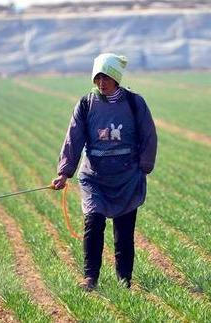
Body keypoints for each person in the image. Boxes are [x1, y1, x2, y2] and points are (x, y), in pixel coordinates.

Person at [52, 53, 157, 291]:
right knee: (93, 223)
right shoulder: (86, 104)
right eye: (98, 77)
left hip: (126, 178)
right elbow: (74, 138)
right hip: (94, 178)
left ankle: (124, 279)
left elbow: (148, 135)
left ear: (116, 77)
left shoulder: (134, 103)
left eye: (106, 77)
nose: (102, 82)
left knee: (124, 231)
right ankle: (90, 278)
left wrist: (144, 165)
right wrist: (64, 172)